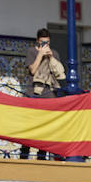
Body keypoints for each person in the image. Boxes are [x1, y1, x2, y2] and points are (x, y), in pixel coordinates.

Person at [19, 28, 64, 159]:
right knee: (30, 124)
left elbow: (59, 73)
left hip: (48, 91)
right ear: (37, 41)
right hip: (33, 92)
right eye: (42, 42)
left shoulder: (54, 53)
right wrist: (40, 54)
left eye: (47, 43)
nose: (45, 45)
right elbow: (32, 70)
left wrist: (50, 56)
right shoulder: (31, 51)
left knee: (46, 123)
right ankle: (24, 153)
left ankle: (42, 154)